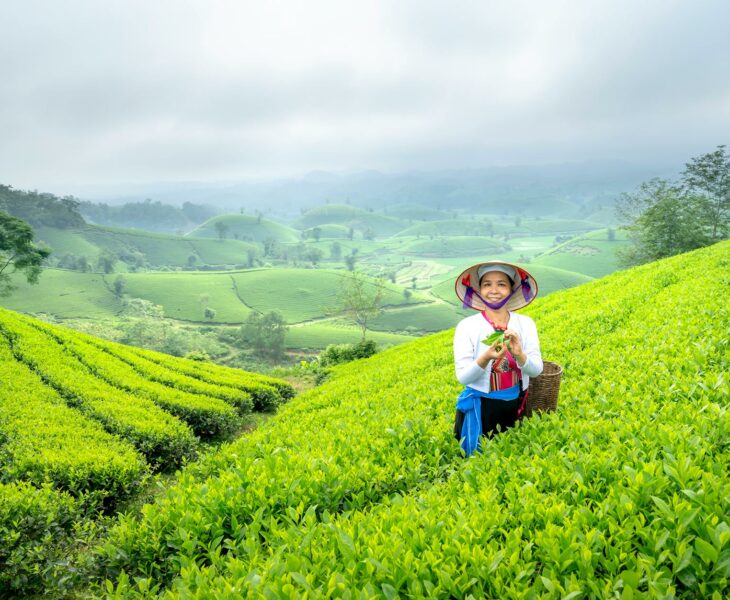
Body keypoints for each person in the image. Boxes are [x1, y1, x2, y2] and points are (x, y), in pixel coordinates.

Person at [453, 260, 542, 456]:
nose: (494, 290)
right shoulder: (467, 326)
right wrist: (485, 358)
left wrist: (519, 354)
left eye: (501, 284)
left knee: (507, 460)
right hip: (481, 408)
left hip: (514, 405)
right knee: (478, 464)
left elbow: (536, 369)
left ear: (512, 289)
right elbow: (463, 377)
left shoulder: (525, 324)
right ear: (479, 290)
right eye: (487, 284)